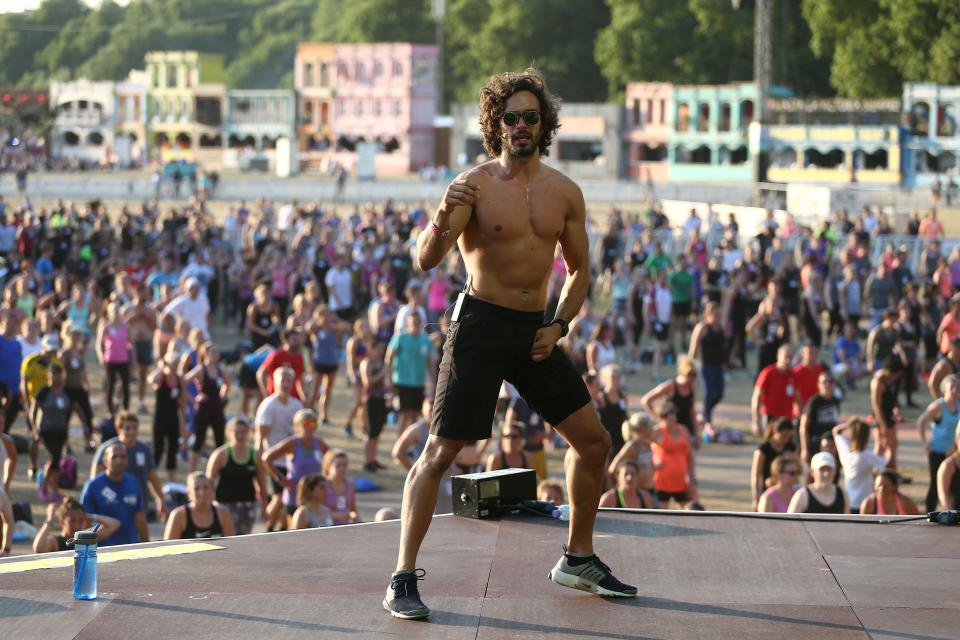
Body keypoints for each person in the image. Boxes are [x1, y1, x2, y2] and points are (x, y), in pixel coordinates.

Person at [384, 70, 635, 621]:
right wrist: (438, 216)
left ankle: (579, 557)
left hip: (534, 332)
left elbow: (579, 272)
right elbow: (424, 259)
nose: (521, 126)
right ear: (495, 124)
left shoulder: (564, 191)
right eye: (511, 117)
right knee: (440, 452)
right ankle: (402, 577)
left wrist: (561, 323)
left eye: (531, 117)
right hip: (478, 324)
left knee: (594, 442)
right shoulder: (473, 184)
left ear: (543, 126)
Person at [91, 411, 167, 523]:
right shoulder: (107, 449)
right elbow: (95, 479)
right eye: (127, 428)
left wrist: (161, 499)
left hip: (137, 506)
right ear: (119, 429)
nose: (132, 431)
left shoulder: (144, 449)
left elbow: (152, 477)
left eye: (135, 428)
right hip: (112, 507)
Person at [254, 366, 303, 532]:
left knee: (289, 498)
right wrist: (259, 460)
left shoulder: (297, 405)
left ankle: (282, 526)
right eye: (283, 380)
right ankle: (267, 526)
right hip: (274, 460)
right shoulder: (269, 406)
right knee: (279, 496)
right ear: (275, 382)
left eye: (289, 380)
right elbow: (260, 437)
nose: (286, 384)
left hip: (293, 460)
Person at [262, 408, 329, 524]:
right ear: (298, 426)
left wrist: (327, 477)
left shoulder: (319, 443)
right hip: (295, 495)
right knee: (295, 530)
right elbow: (266, 458)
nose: (309, 427)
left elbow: (332, 458)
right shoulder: (292, 443)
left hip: (314, 496)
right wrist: (281, 479)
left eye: (312, 423)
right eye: (305, 423)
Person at [207, 416, 268, 536]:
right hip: (225, 505)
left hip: (248, 505)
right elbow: (209, 483)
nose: (240, 436)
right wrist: (209, 506)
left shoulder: (254, 455)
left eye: (243, 432)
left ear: (248, 433)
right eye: (237, 432)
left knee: (242, 540)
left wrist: (264, 506)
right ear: (229, 433)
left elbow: (262, 483)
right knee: (226, 539)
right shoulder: (221, 455)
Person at [81, 442, 149, 545]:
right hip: (103, 550)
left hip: (130, 548)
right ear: (105, 461)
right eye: (114, 457)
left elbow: (139, 517)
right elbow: (85, 521)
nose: (119, 461)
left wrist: (147, 544)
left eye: (123, 457)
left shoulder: (133, 483)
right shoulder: (93, 486)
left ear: (127, 460)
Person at [386, 312, 435, 436]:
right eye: (413, 322)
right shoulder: (400, 337)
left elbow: (431, 362)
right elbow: (388, 358)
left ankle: (410, 445)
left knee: (415, 414)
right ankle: (399, 442)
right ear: (408, 323)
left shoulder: (425, 339)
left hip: (419, 383)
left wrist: (433, 381)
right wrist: (389, 379)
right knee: (405, 413)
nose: (415, 325)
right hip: (402, 381)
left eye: (418, 322)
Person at [184, 342, 230, 472]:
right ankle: (192, 470)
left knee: (220, 440)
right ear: (206, 354)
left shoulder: (220, 369)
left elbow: (228, 384)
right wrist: (194, 398)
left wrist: (223, 395)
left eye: (217, 352)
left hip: (217, 408)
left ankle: (219, 469)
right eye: (213, 352)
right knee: (199, 440)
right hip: (203, 409)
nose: (216, 355)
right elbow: (184, 381)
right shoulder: (201, 369)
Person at [917, 375, 960, 512]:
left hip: (952, 452)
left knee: (952, 487)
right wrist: (925, 443)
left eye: (957, 386)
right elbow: (921, 422)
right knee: (935, 486)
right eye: (952, 386)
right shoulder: (938, 406)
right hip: (937, 452)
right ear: (944, 389)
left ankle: (951, 513)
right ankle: (928, 514)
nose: (955, 390)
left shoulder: (959, 406)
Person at [640, 357, 700, 445]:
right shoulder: (671, 386)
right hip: (671, 429)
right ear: (683, 374)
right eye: (689, 376)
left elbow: (692, 410)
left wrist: (696, 433)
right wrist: (658, 418)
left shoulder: (691, 388)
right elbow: (646, 400)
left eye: (693, 377)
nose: (691, 380)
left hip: (686, 429)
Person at [833, 419, 888, 513]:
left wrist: (849, 423)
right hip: (865, 502)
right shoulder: (867, 455)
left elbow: (836, 432)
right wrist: (889, 449)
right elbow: (887, 465)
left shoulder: (846, 453)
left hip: (849, 501)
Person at [687, 301, 727, 429]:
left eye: (719, 314)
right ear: (708, 314)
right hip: (707, 365)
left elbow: (723, 346)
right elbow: (694, 345)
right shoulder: (703, 327)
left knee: (719, 393)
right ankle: (708, 421)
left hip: (719, 366)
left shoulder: (720, 327)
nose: (717, 317)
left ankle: (704, 413)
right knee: (710, 393)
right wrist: (689, 364)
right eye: (715, 314)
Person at [163, 472, 235, 540]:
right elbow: (168, 546)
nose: (202, 492)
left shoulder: (223, 512)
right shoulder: (179, 515)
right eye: (196, 489)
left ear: (212, 490)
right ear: (188, 493)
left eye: (205, 487)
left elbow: (232, 544)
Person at [33, 498, 121, 553]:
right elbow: (39, 548)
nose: (77, 525)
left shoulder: (86, 537)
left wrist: (89, 516)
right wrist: (49, 519)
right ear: (63, 522)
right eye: (72, 521)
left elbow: (114, 524)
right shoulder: (55, 542)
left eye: (80, 520)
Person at [650, 402, 694, 508]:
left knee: (686, 509)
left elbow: (689, 456)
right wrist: (653, 464)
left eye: (673, 416)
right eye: (667, 417)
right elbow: (642, 446)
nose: (671, 420)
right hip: (662, 480)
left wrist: (691, 477)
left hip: (681, 480)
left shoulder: (683, 430)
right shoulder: (657, 431)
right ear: (661, 418)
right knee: (662, 511)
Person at [751, 418, 797, 511]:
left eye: (789, 436)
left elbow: (797, 469)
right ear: (774, 433)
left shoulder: (791, 448)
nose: (787, 439)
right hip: (768, 489)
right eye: (784, 436)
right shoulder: (763, 450)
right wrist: (756, 498)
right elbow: (755, 475)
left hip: (787, 491)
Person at [751, 345, 797, 438]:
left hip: (787, 417)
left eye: (790, 357)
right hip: (770, 417)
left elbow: (797, 398)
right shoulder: (768, 373)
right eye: (786, 357)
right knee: (771, 447)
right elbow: (756, 397)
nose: (788, 360)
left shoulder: (793, 375)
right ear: (778, 356)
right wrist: (756, 421)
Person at [96, 301, 132, 418]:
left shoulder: (125, 327)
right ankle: (110, 411)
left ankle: (126, 409)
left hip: (123, 360)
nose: (116, 313)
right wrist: (101, 357)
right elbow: (99, 343)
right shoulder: (106, 326)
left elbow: (131, 344)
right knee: (110, 385)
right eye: (113, 311)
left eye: (117, 310)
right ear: (109, 313)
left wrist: (134, 359)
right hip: (110, 359)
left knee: (126, 386)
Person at [870, 354, 904, 472]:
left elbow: (891, 397)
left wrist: (896, 408)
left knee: (893, 444)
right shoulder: (878, 382)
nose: (896, 377)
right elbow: (876, 406)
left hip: (889, 414)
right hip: (880, 417)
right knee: (880, 446)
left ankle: (891, 472)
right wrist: (883, 425)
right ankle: (875, 472)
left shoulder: (890, 379)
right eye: (895, 374)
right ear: (889, 371)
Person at [799, 372, 842, 466]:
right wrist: (804, 449)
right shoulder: (814, 402)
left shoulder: (835, 401)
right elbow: (803, 426)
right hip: (816, 443)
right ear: (819, 385)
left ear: (834, 384)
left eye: (830, 381)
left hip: (831, 443)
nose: (827, 384)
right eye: (824, 382)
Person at [359, 339, 389, 472]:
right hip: (370, 400)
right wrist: (382, 373)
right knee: (370, 432)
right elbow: (367, 382)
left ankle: (373, 459)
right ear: (372, 348)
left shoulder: (380, 363)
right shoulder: (367, 363)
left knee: (377, 431)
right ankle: (367, 461)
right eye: (379, 349)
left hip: (380, 399)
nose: (382, 352)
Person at [323, 449, 358, 525]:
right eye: (338, 465)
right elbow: (315, 513)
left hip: (347, 527)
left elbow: (353, 510)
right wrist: (337, 516)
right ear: (328, 466)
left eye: (345, 465)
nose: (342, 468)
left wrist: (354, 516)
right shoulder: (322, 485)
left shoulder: (350, 484)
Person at [928, 336, 960, 401]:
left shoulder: (957, 362)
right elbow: (932, 384)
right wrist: (941, 402)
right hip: (949, 404)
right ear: (954, 349)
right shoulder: (944, 365)